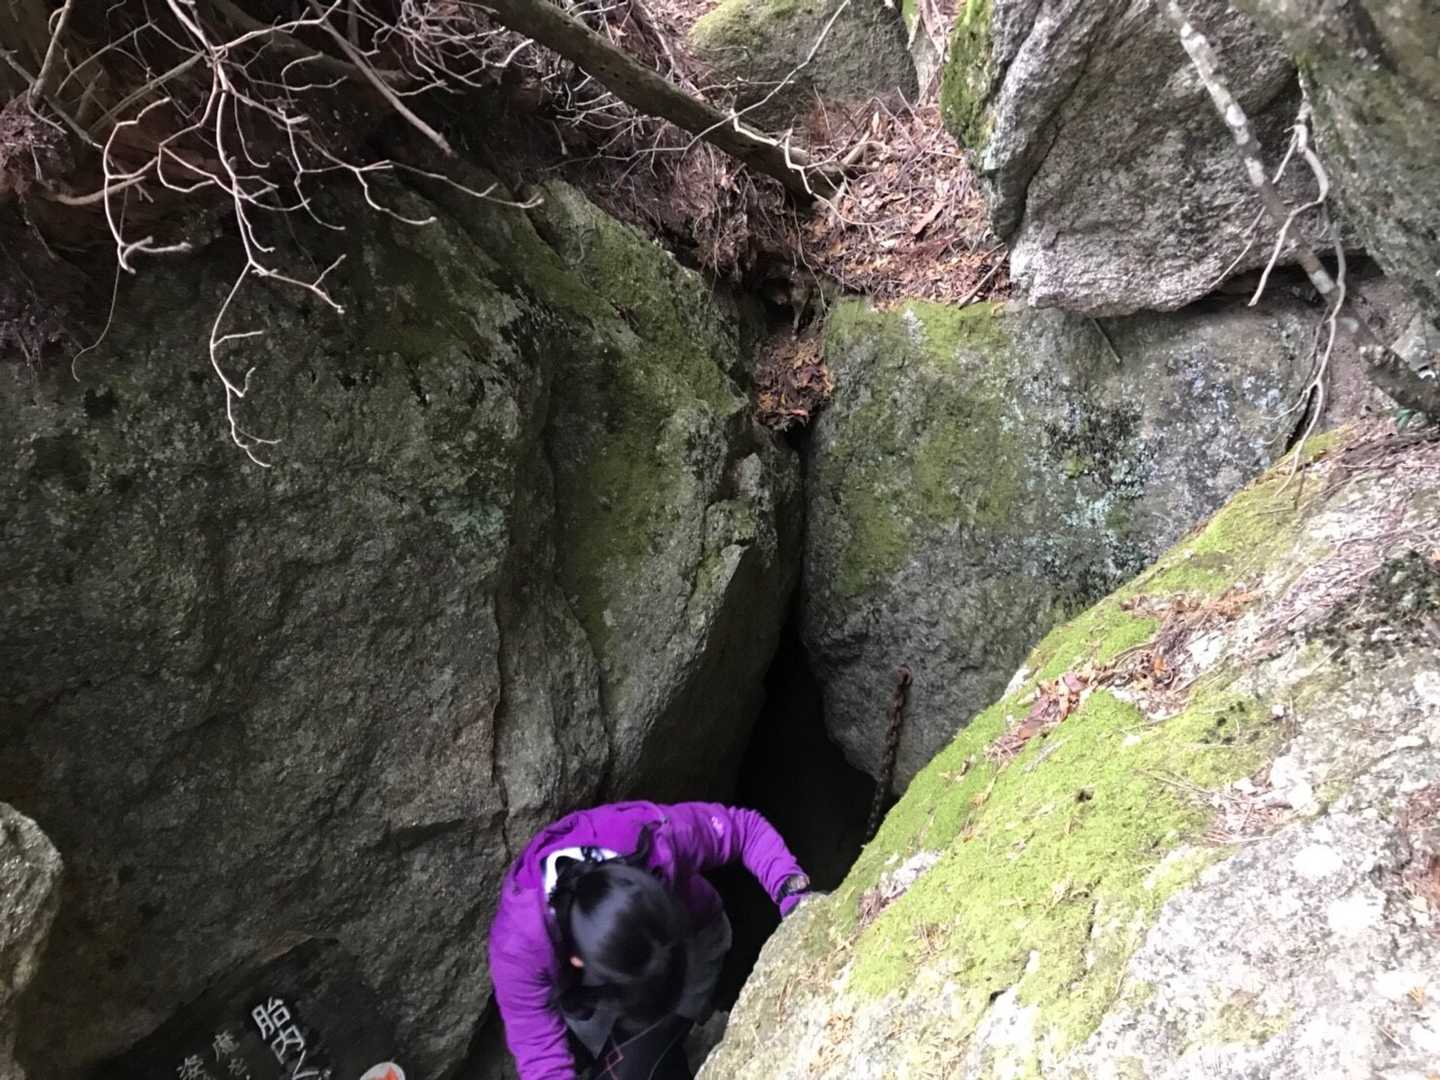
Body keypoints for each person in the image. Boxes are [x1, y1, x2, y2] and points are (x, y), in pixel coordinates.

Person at [488, 801, 812, 1080]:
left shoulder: (653, 838)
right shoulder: (518, 950)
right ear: (577, 960)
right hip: (592, 1000)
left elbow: (743, 828)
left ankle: (673, 1040)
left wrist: (793, 895)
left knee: (643, 1060)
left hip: (694, 944)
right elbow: (542, 1057)